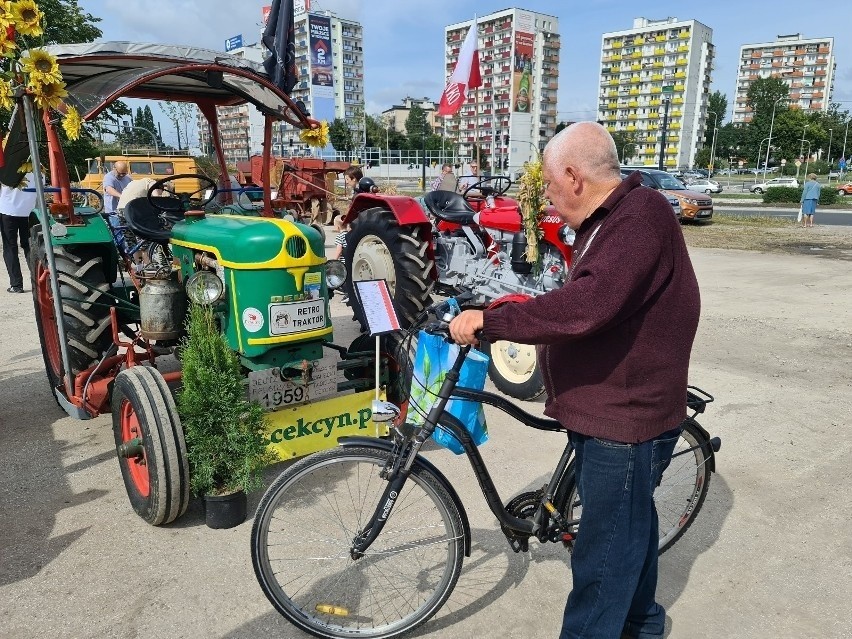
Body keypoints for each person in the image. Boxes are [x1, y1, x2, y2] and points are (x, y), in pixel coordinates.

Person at [449, 122, 700, 639]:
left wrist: (491, 321)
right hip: (611, 411)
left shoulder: (638, 217)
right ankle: (643, 622)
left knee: (603, 556)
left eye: (548, 184)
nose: (546, 197)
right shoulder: (609, 221)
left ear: (573, 176)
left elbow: (586, 307)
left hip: (625, 419)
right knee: (629, 529)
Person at [1, 172, 37, 293]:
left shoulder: (8, 164)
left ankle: (16, 285)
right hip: (29, 210)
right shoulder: (39, 166)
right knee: (30, 247)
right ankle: (37, 281)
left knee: (10, 247)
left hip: (7, 209)